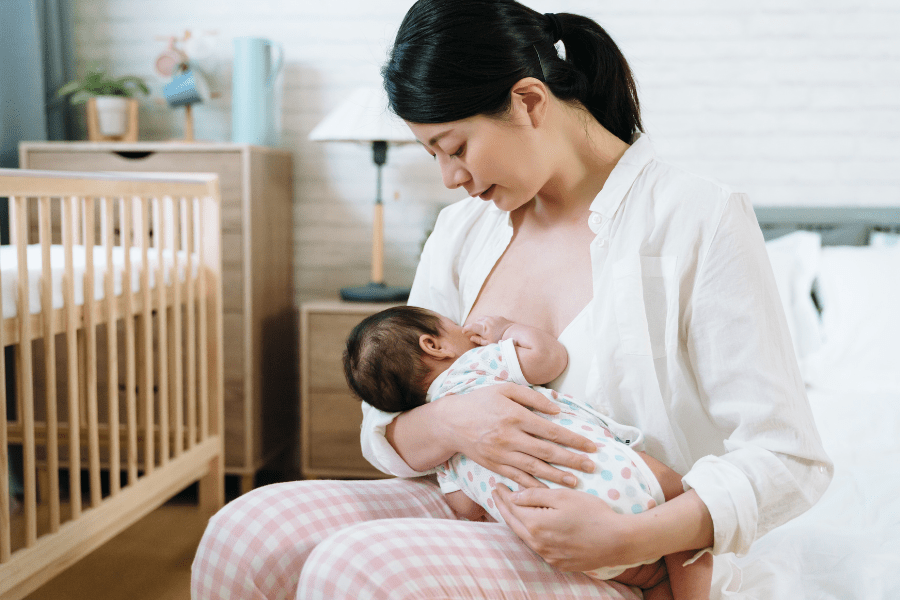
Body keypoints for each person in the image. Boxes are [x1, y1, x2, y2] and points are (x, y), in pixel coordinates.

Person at [192, 2, 833, 598]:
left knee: (354, 569)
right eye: (432, 154)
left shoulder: (696, 220)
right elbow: (384, 432)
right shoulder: (462, 231)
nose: (451, 177)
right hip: (489, 503)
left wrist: (628, 537)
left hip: (643, 553)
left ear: (528, 101)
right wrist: (453, 421)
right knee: (247, 532)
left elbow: (789, 459)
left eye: (455, 147)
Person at [343, 305, 712, 599]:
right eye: (452, 324)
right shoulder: (475, 366)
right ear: (433, 345)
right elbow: (549, 358)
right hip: (611, 471)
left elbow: (466, 509)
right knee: (686, 502)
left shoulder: (443, 457)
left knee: (650, 579)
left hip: (568, 535)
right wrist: (505, 331)